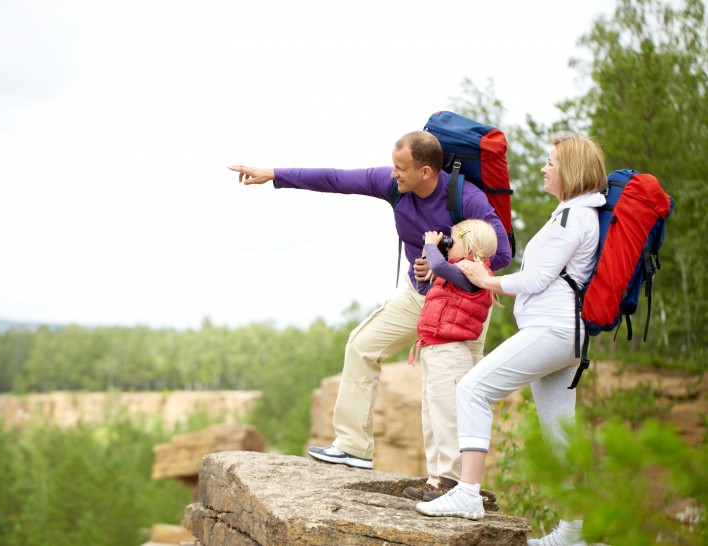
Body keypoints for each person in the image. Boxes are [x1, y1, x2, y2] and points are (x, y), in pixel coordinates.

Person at [229, 131, 512, 487]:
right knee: (362, 345)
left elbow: (501, 253)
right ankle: (353, 447)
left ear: (426, 171)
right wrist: (274, 174)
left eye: (401, 168)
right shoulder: (393, 184)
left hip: (460, 304)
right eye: (393, 166)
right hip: (418, 297)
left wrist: (446, 258)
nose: (393, 174)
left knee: (452, 391)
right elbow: (336, 179)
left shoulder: (466, 198)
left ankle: (451, 484)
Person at [414, 134, 607, 546]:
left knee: (471, 389)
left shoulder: (574, 217)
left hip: (552, 331)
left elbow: (538, 279)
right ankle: (573, 533)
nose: (544, 167)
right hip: (565, 334)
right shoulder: (573, 214)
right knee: (560, 434)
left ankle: (467, 493)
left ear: (569, 169)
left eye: (550, 161)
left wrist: (489, 280)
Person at [407, 219, 501, 504]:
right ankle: (436, 479)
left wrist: (430, 246)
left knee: (448, 418)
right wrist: (424, 275)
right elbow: (432, 291)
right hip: (434, 351)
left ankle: (452, 481)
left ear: (470, 246)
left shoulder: (474, 271)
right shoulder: (455, 274)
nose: (446, 243)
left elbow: (440, 267)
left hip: (450, 354)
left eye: (452, 240)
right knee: (432, 417)